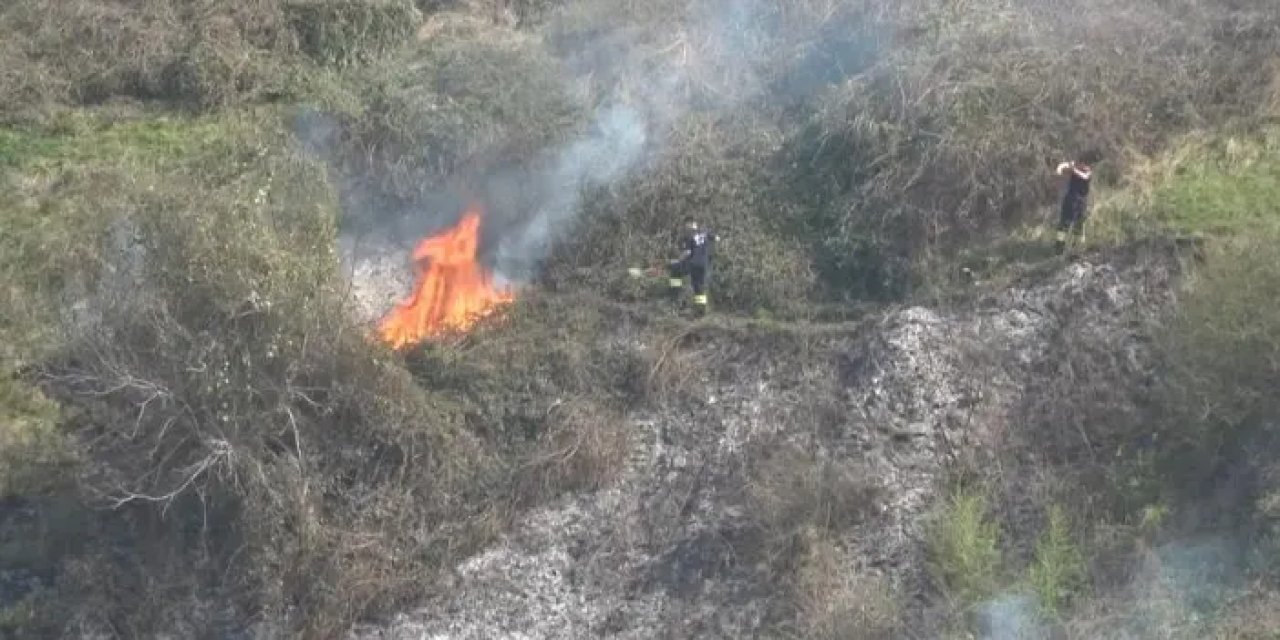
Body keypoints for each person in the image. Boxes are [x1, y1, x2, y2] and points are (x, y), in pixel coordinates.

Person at [667, 220, 719, 315]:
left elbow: (687, 253)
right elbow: (717, 238)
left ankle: (674, 298)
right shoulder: (705, 234)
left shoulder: (690, 238)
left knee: (675, 271)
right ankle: (701, 310)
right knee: (699, 286)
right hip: (704, 265)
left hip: (693, 264)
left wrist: (678, 260)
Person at [1054, 155, 1095, 254]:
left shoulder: (1088, 172)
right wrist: (1059, 169)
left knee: (1079, 225)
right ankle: (1059, 247)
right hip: (1070, 200)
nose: (1084, 166)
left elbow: (1084, 177)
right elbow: (1062, 165)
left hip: (1082, 202)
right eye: (1082, 164)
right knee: (1064, 224)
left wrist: (1073, 169)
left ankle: (1076, 249)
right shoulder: (1075, 167)